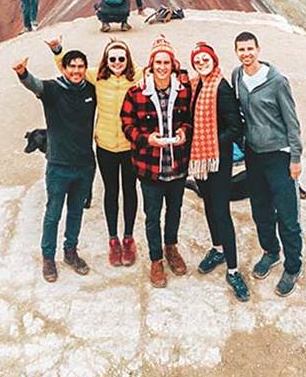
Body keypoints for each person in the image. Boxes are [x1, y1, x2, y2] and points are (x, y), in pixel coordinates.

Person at [49, 35, 141, 266]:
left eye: (121, 58)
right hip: (106, 146)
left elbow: (160, 68)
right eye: (112, 58)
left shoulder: (137, 76)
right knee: (111, 191)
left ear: (128, 59)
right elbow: (70, 70)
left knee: (130, 190)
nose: (117, 62)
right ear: (106, 60)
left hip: (130, 145)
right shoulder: (97, 77)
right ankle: (113, 240)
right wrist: (58, 49)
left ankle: (128, 238)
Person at [12, 47, 96, 282]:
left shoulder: (91, 90)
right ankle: (48, 257)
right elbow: (35, 85)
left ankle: (71, 252)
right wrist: (23, 73)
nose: (77, 71)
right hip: (59, 164)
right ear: (65, 68)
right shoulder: (53, 89)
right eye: (73, 66)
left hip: (84, 163)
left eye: (81, 67)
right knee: (53, 213)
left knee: (76, 211)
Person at [232, 31, 303, 296]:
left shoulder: (277, 82)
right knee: (260, 209)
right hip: (254, 154)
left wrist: (295, 157)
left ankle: (293, 265)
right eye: (241, 49)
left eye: (250, 49)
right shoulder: (237, 76)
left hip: (278, 155)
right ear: (236, 52)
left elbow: (292, 122)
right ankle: (271, 252)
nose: (246, 54)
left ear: (258, 50)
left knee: (287, 215)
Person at [119, 34, 193, 288]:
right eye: (158, 63)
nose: (162, 67)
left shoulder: (183, 91)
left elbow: (188, 119)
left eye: (166, 63)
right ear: (151, 65)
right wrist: (146, 138)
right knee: (152, 214)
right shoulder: (136, 93)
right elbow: (127, 125)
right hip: (149, 166)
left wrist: (184, 131)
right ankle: (156, 259)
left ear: (173, 65)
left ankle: (170, 246)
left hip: (177, 164)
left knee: (175, 210)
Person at [187, 40, 249, 302]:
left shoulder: (220, 88)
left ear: (214, 60)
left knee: (221, 212)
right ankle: (217, 249)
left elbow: (235, 127)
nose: (202, 63)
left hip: (216, 160)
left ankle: (233, 270)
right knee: (209, 206)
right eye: (197, 60)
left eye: (205, 59)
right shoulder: (197, 84)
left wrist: (212, 143)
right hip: (202, 159)